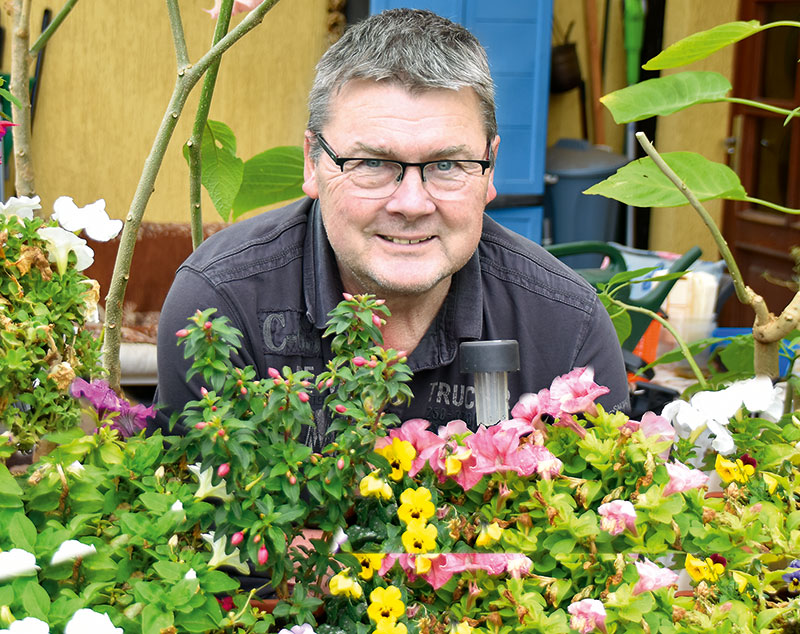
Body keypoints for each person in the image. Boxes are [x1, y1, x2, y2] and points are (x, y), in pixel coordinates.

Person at [152, 8, 630, 447]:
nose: (412, 203)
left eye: (447, 165)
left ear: (490, 169)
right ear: (312, 162)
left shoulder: (566, 327)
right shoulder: (222, 307)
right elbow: (200, 523)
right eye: (373, 163)